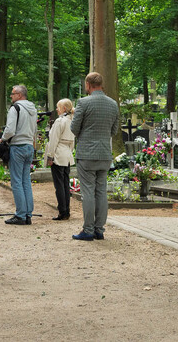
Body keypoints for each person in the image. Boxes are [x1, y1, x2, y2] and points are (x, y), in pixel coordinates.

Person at [70, 72, 121, 242]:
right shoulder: (113, 104)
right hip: (104, 154)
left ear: (88, 84)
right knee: (101, 191)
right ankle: (99, 229)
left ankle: (88, 229)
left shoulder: (83, 102)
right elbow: (114, 131)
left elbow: (74, 128)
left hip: (86, 154)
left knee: (88, 193)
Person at [0, 84, 37, 225]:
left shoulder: (15, 108)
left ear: (20, 95)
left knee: (16, 181)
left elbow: (10, 130)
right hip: (28, 146)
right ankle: (28, 214)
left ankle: (20, 214)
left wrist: (2, 139)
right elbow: (34, 129)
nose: (11, 96)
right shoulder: (33, 109)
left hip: (18, 146)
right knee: (26, 181)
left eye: (13, 93)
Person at [46, 98, 75, 221]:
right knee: (65, 184)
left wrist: (50, 156)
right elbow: (73, 141)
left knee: (59, 185)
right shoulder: (72, 121)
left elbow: (53, 141)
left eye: (58, 107)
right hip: (67, 154)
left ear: (64, 108)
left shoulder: (59, 121)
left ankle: (62, 211)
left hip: (58, 154)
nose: (56, 109)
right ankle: (66, 210)